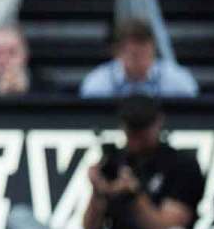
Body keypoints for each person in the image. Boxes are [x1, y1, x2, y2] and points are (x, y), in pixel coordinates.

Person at [82, 95, 206, 229]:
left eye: (142, 129)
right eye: (131, 129)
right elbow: (90, 226)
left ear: (158, 121)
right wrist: (98, 191)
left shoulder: (182, 164)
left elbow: (169, 226)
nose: (137, 136)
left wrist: (133, 194)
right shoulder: (116, 162)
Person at [79, 19, 199, 98]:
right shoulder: (98, 83)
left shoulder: (177, 79)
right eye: (134, 54)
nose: (141, 60)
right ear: (117, 53)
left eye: (146, 53)